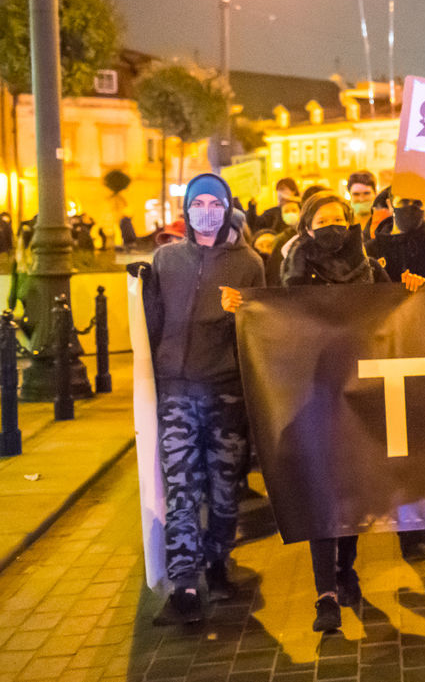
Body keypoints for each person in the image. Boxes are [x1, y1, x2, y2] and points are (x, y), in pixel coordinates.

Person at [139, 173, 265, 625]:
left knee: (225, 490)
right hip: (176, 390)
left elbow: (262, 327)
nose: (206, 209)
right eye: (199, 202)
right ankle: (185, 584)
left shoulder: (248, 262)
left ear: (226, 207)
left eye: (215, 202)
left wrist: (244, 311)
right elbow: (152, 319)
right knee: (182, 492)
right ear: (188, 210)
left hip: (226, 392)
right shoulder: (166, 259)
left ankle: (217, 561)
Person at [280, 193, 390, 632]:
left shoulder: (369, 265)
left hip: (361, 393)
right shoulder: (293, 270)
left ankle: (347, 567)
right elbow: (272, 312)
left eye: (339, 220)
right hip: (312, 395)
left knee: (353, 491)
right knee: (322, 492)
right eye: (322, 221)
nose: (332, 227)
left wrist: (414, 285)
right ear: (306, 228)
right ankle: (325, 591)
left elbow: (396, 306)